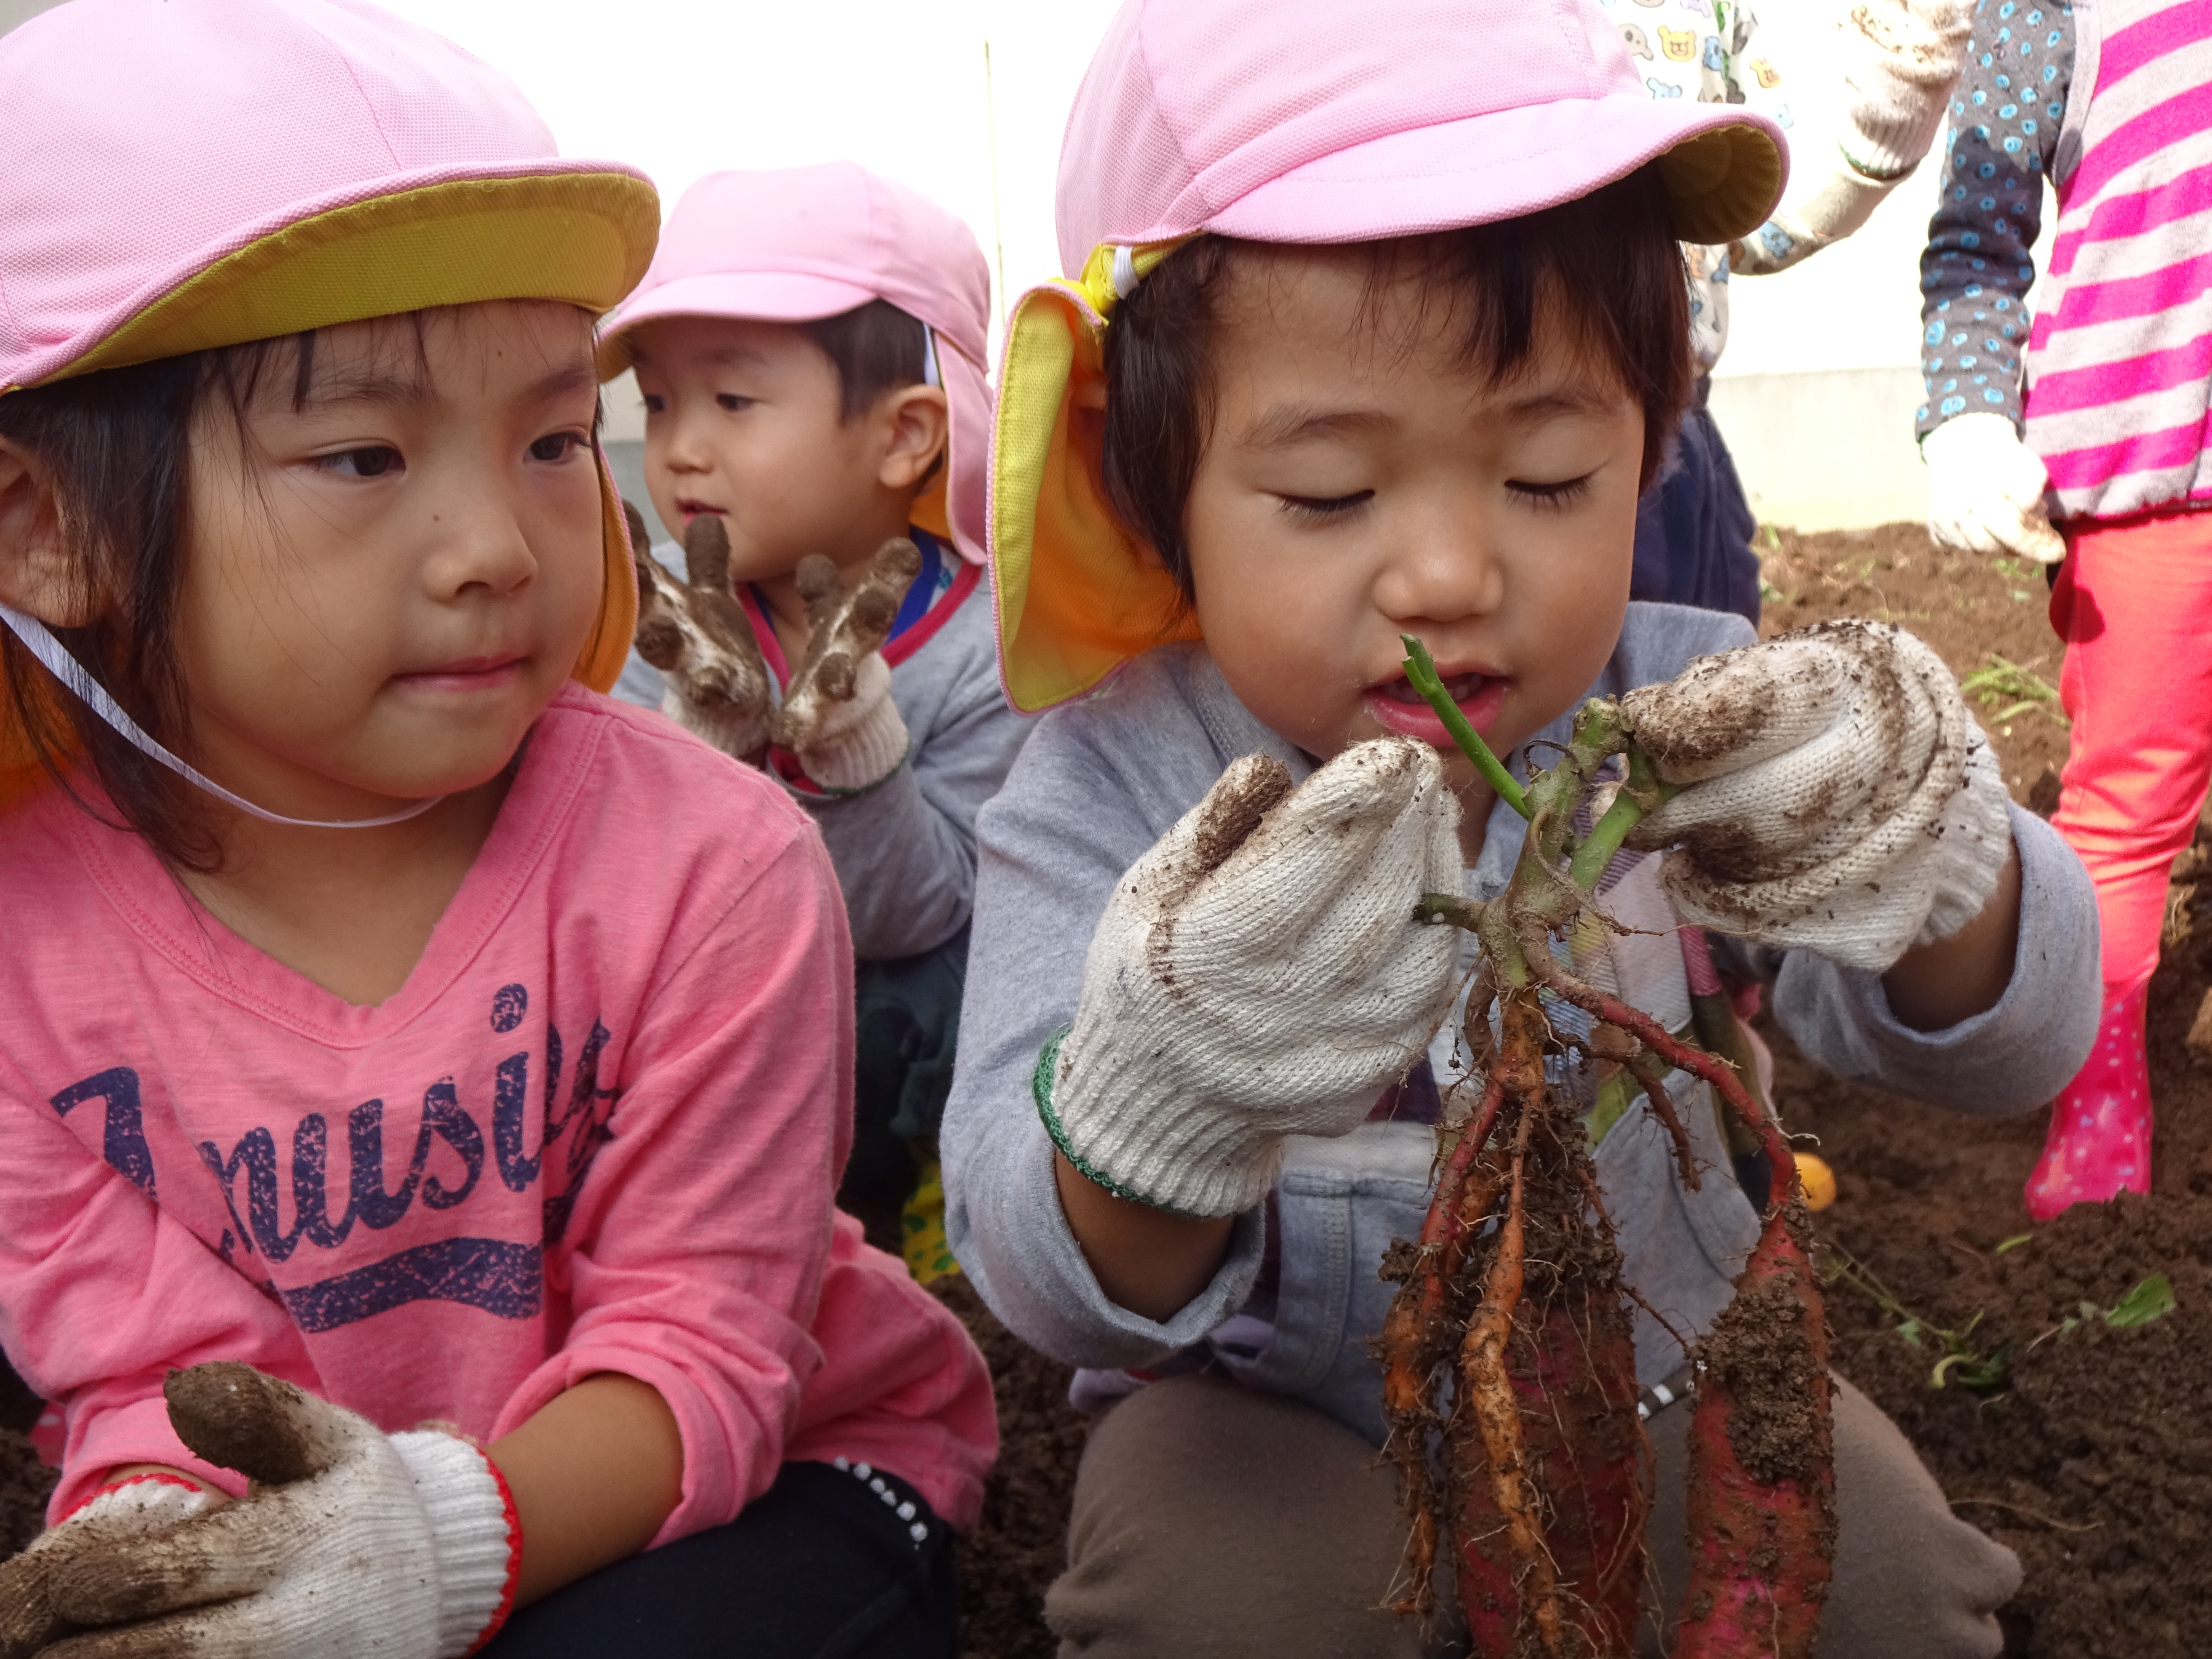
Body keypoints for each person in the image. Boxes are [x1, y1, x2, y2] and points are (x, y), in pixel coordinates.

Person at [942, 0, 2103, 1654]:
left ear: (1649, 443)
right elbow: (1032, 1265)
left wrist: (1927, 853)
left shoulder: (1686, 722)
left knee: (1888, 1592)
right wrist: (1165, 1097)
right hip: (1267, 1413)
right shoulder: (1109, 787)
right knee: (1220, 1610)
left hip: (1660, 1352)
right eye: (1331, 497)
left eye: (1548, 475)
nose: (1444, 576)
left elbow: (2014, 1045)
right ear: (1150, 488)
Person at [0, 4, 994, 1656]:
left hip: (761, 1477)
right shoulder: (26, 950)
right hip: (334, 1522)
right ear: (46, 530)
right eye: (363, 454)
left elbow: (706, 1342)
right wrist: (207, 1578)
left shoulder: (712, 865)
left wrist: (437, 1552)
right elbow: (147, 1381)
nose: (495, 548)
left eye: (544, 441)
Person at [599, 166, 1029, 1244]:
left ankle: (926, 1213)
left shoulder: (993, 648)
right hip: (709, 1018)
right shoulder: (657, 616)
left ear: (903, 436)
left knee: (927, 990)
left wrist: (846, 735)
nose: (682, 447)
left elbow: (916, 916)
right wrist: (708, 732)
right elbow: (630, 880)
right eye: (658, 403)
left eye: (734, 401)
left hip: (896, 1038)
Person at [1914, 0, 2208, 1221]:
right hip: (2146, 484)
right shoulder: (2050, 14)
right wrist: (1968, 410)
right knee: (2130, 801)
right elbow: (1978, 240)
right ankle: (2097, 1101)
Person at [1610, 0, 1973, 623]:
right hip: (1538, 422)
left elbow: (1756, 202)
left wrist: (1886, 117)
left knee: (1711, 645)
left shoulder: (1708, 12)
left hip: (1682, 423)